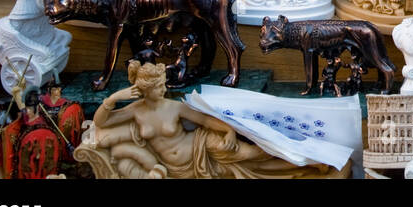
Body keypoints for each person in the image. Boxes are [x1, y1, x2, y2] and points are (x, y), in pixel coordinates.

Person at [84, 60, 314, 178]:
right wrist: (112, 99)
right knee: (252, 169)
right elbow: (102, 122)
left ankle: (312, 159)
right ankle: (308, 171)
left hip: (203, 146)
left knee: (255, 154)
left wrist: (228, 132)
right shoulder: (135, 110)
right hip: (182, 168)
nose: (163, 90)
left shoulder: (173, 107)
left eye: (163, 84)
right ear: (144, 89)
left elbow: (205, 121)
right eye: (158, 87)